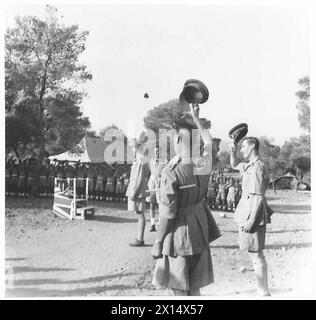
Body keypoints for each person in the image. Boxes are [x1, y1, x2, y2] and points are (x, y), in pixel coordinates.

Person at [151, 103, 221, 296]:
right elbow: (210, 143)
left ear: (179, 140)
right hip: (200, 228)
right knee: (195, 286)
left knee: (179, 286)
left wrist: (158, 241)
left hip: (179, 235)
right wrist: (196, 119)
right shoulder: (203, 162)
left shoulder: (171, 172)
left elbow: (167, 214)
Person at [230, 137, 272, 296]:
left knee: (256, 254)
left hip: (253, 215)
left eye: (243, 147)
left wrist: (251, 220)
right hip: (248, 213)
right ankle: (262, 291)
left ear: (252, 146)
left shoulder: (256, 168)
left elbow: (258, 197)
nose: (242, 150)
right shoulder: (249, 166)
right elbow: (234, 165)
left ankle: (263, 292)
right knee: (254, 253)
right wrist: (232, 151)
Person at [126, 132, 151, 247]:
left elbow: (139, 178)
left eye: (132, 147)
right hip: (137, 190)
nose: (131, 149)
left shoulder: (141, 160)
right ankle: (139, 237)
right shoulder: (140, 159)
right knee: (139, 214)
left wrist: (134, 193)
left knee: (140, 214)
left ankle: (140, 238)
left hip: (138, 191)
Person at [146, 146, 165, 232]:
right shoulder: (151, 161)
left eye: (158, 151)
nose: (157, 153)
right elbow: (149, 171)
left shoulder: (164, 161)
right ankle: (152, 224)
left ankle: (160, 223)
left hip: (160, 184)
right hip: (152, 183)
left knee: (160, 204)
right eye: (155, 151)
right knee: (151, 204)